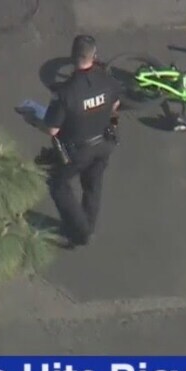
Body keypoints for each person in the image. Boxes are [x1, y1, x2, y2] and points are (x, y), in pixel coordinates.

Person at [43, 35, 123, 247]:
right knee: (93, 186)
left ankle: (81, 232)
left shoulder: (65, 92)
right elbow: (115, 107)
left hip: (78, 151)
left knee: (58, 185)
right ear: (94, 56)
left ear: (72, 57)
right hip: (105, 143)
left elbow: (52, 129)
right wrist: (110, 124)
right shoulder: (108, 81)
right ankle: (88, 225)